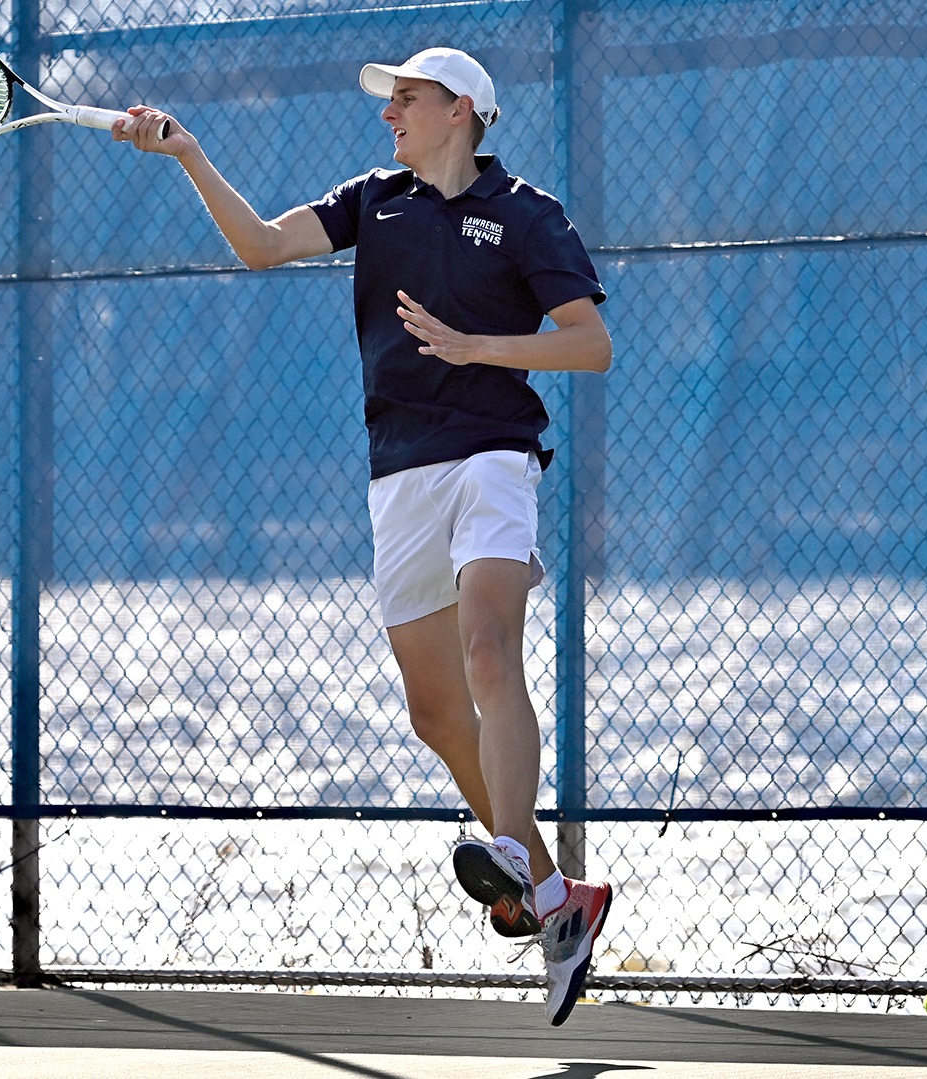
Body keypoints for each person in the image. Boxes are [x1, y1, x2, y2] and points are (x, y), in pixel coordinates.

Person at [114, 46, 614, 1026]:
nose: (391, 114)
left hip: (494, 455)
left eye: (409, 100)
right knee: (436, 715)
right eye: (390, 102)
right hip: (401, 471)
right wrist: (189, 156)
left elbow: (588, 343)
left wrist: (482, 347)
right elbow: (260, 245)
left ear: (461, 110)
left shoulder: (526, 213)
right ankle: (559, 901)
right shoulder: (371, 200)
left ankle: (512, 851)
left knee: (486, 649)